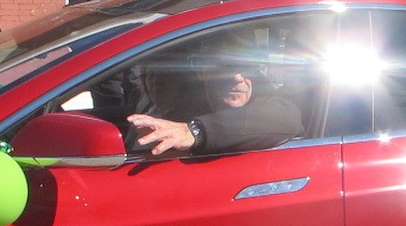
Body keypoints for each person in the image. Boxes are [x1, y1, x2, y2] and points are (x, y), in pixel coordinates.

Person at [127, 39, 303, 156]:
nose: (237, 78)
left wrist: (195, 132)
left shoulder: (272, 106)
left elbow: (287, 118)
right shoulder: (182, 112)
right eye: (226, 68)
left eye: (247, 70)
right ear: (203, 72)